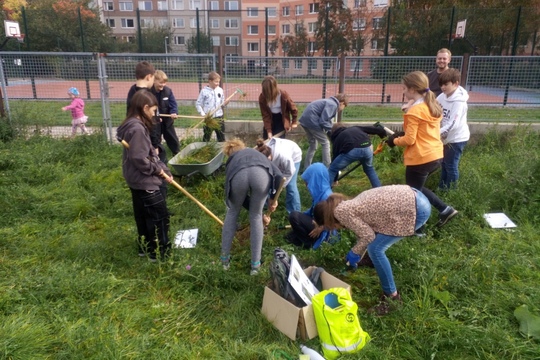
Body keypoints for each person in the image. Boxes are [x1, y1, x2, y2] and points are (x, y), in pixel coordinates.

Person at [313, 185, 431, 315]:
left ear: (328, 219)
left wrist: (354, 252)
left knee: (376, 249)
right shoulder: (344, 205)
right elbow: (364, 230)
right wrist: (359, 250)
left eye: (328, 226)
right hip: (414, 196)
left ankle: (392, 297)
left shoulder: (340, 212)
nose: (332, 228)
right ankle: (371, 259)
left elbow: (368, 236)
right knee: (371, 245)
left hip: (414, 210)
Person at [386, 71, 458, 227]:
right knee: (416, 189)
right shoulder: (430, 105)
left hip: (421, 157)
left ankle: (427, 221)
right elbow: (421, 130)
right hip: (436, 154)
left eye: (404, 88)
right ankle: (438, 213)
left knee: (413, 193)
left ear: (412, 89)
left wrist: (394, 141)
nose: (403, 92)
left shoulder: (415, 111)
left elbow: (410, 139)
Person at [116, 90, 173, 262]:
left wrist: (165, 170)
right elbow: (140, 158)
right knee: (159, 217)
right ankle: (160, 255)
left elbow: (149, 155)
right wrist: (158, 171)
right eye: (154, 111)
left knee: (142, 216)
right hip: (145, 181)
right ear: (145, 108)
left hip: (135, 180)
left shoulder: (130, 124)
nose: (155, 114)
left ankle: (144, 249)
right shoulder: (138, 129)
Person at [221, 139, 284, 275]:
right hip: (261, 174)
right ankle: (255, 266)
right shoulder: (257, 154)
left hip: (239, 176)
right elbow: (279, 175)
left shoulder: (232, 161)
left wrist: (270, 201)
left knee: (232, 213)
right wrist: (273, 199)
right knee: (255, 217)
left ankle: (224, 261)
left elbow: (239, 199)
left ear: (229, 154)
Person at [286, 163, 337, 249]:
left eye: (308, 181)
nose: (306, 184)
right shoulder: (321, 193)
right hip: (317, 223)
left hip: (324, 231)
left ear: (315, 180)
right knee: (293, 230)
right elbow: (312, 211)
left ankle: (308, 243)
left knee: (294, 216)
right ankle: (304, 238)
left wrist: (322, 227)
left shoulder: (327, 197)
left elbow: (335, 219)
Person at [437, 68, 470, 190]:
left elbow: (453, 124)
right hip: (446, 138)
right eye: (441, 84)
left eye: (446, 84)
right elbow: (433, 108)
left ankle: (452, 192)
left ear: (456, 83)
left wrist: (435, 133)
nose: (443, 87)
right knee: (444, 164)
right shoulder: (442, 96)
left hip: (456, 139)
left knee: (451, 166)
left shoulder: (459, 102)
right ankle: (442, 188)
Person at [328, 122, 387, 188]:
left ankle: (325, 193)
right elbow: (378, 130)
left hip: (352, 150)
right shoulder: (355, 128)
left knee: (332, 169)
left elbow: (335, 158)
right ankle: (378, 190)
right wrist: (385, 139)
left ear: (334, 132)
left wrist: (335, 180)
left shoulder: (337, 139)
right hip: (367, 148)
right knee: (369, 169)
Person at [299, 94, 348, 170]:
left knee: (313, 145)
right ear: (342, 103)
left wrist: (329, 129)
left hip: (305, 121)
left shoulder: (328, 102)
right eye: (343, 107)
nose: (341, 110)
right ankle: (328, 168)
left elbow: (325, 120)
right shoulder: (333, 105)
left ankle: (306, 168)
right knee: (326, 143)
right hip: (312, 122)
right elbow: (323, 121)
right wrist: (334, 129)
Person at [255, 137, 302, 213]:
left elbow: (290, 172)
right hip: (278, 158)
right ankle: (266, 206)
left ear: (269, 157)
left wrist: (280, 187)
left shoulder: (284, 156)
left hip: (294, 157)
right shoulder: (262, 151)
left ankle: (295, 213)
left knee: (291, 186)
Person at [258, 75, 298, 139]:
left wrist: (294, 122)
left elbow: (293, 108)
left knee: (279, 141)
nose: (267, 94)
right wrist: (269, 131)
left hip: (281, 119)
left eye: (269, 92)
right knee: (266, 140)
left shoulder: (283, 95)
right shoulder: (262, 97)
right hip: (270, 118)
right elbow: (265, 115)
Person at [151, 70, 180, 156]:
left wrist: (174, 112)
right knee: (156, 139)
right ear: (154, 81)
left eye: (164, 83)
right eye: (160, 83)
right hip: (155, 121)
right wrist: (155, 117)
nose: (163, 85)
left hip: (167, 120)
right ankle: (157, 156)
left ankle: (177, 154)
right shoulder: (149, 92)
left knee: (172, 138)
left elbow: (173, 104)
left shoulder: (167, 91)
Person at [196, 71, 226, 142]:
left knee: (221, 136)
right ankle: (205, 149)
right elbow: (198, 104)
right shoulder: (204, 91)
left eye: (218, 82)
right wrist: (203, 114)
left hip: (219, 117)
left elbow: (222, 103)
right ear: (210, 81)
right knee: (207, 136)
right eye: (216, 82)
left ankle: (222, 150)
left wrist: (225, 103)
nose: (218, 83)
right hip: (208, 117)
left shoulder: (220, 90)